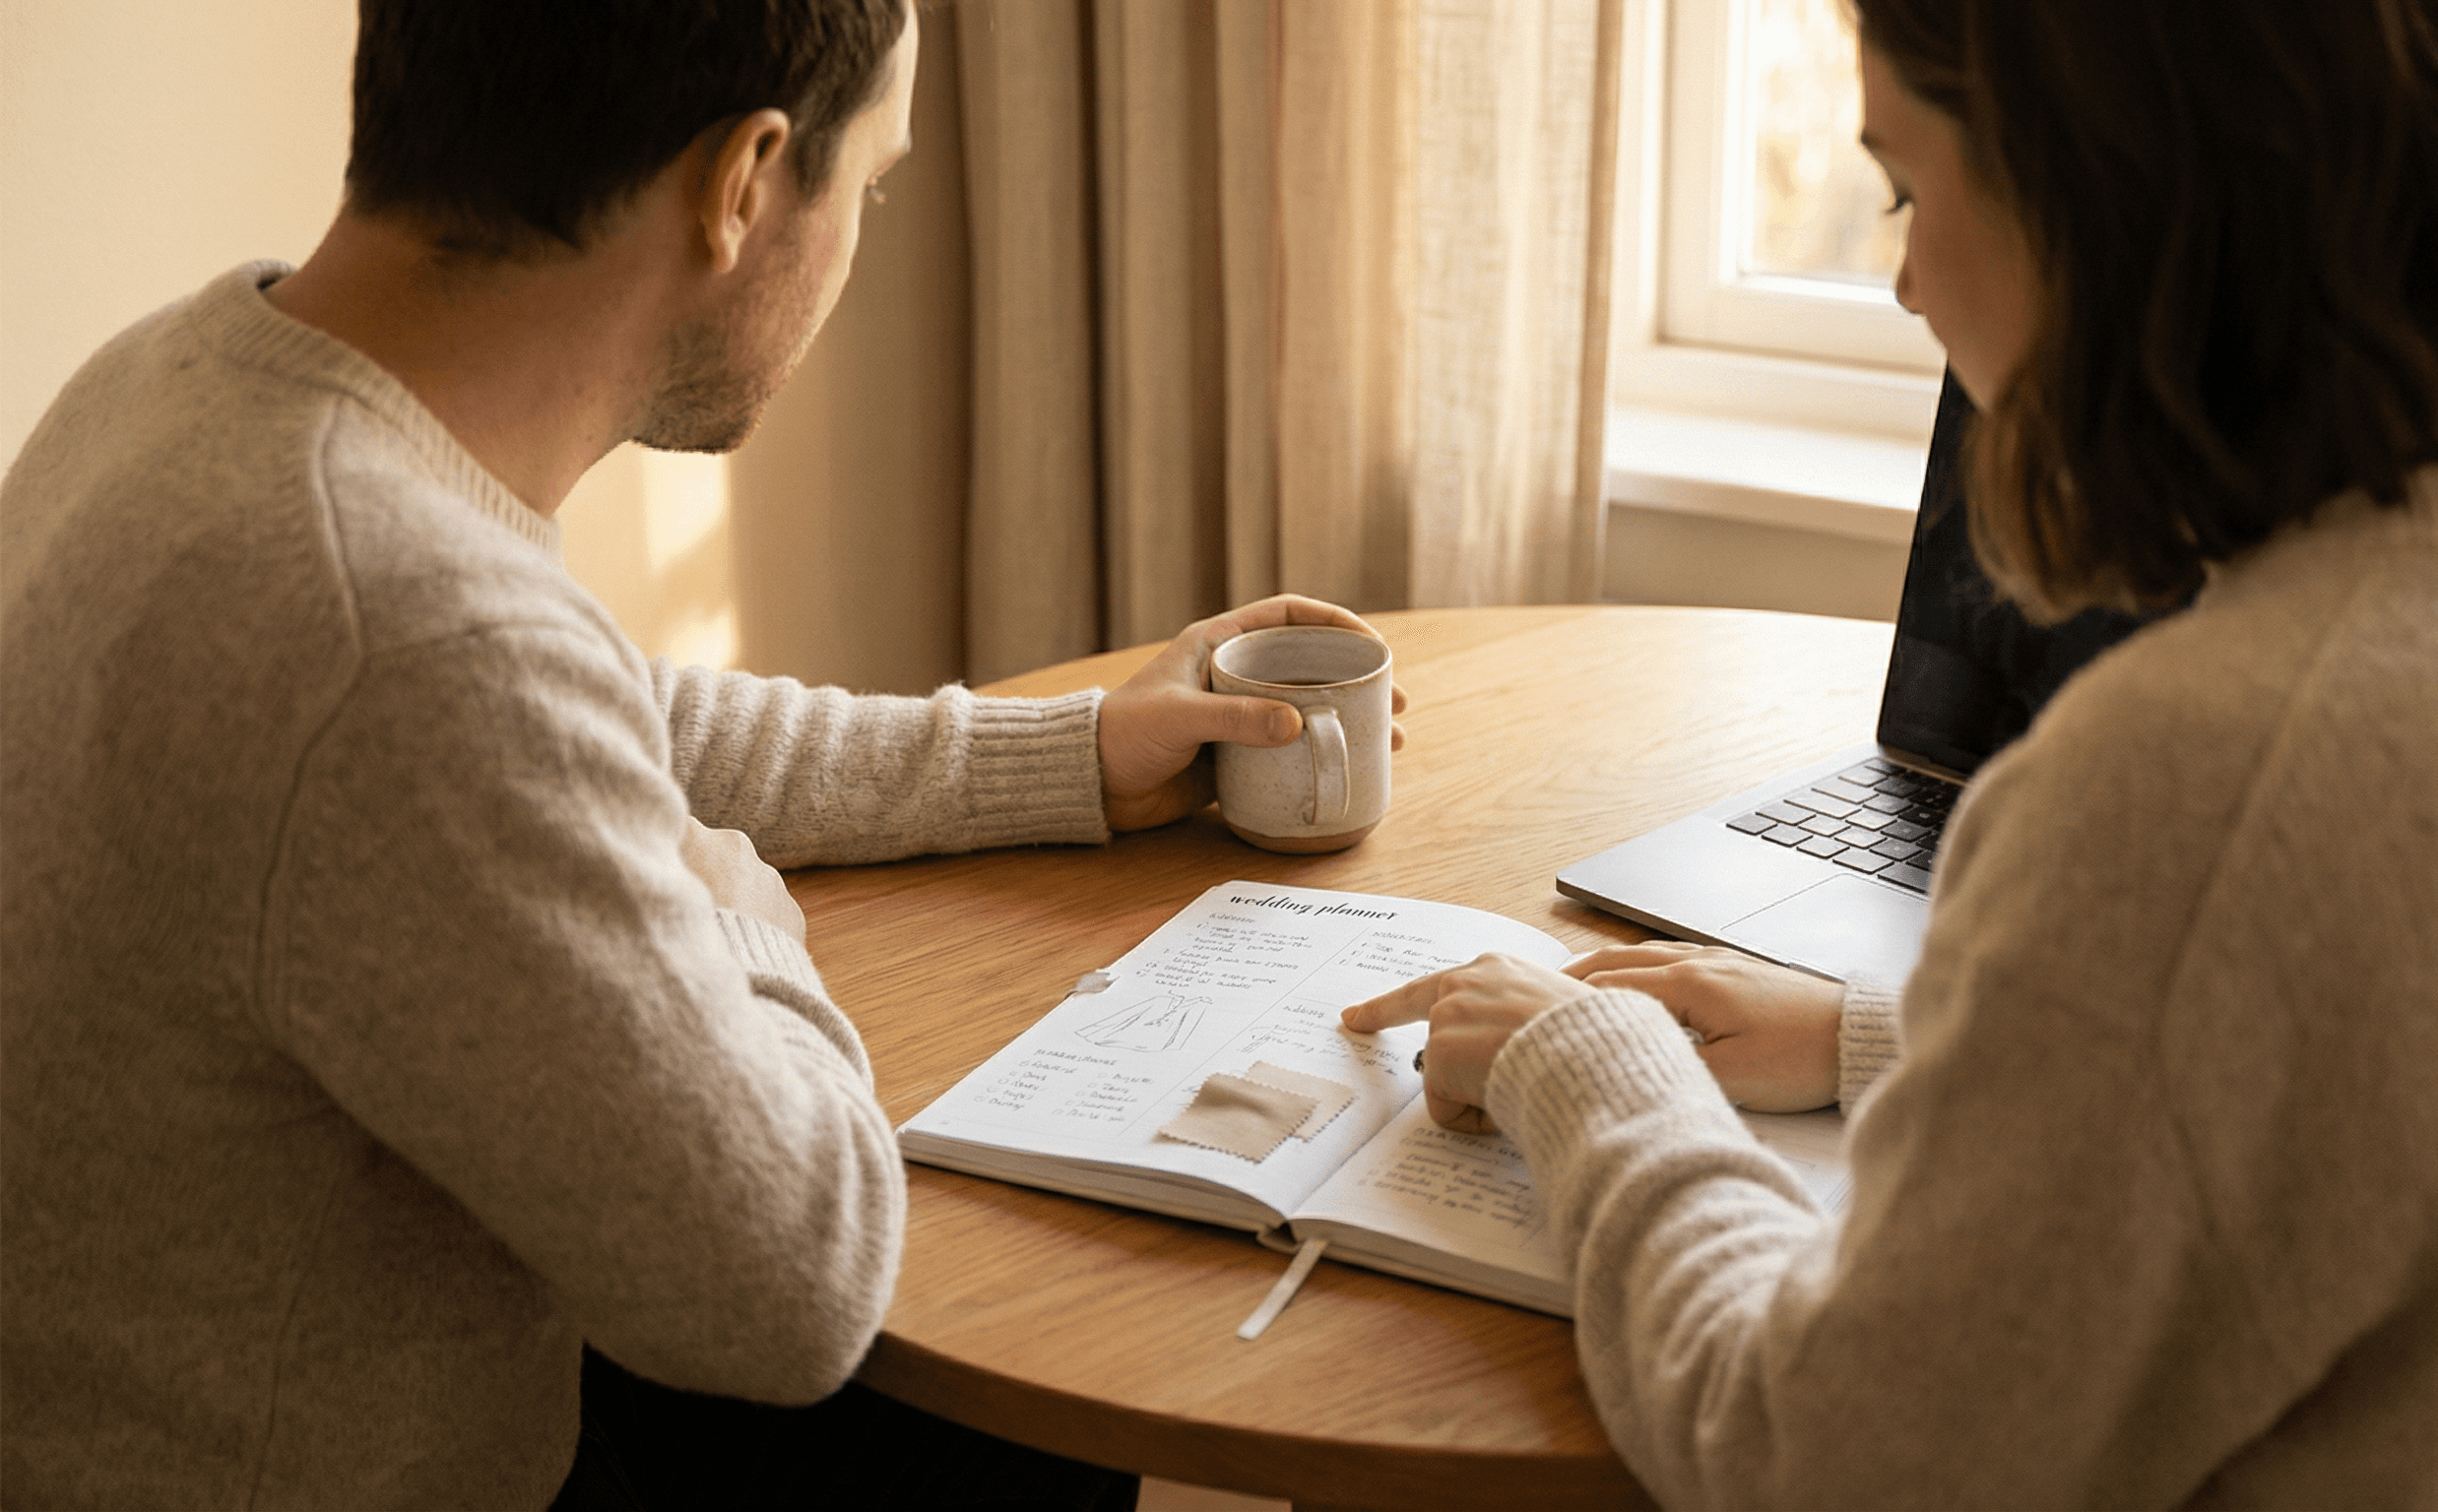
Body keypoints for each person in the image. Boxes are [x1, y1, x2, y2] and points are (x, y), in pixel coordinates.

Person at [0, 0, 1395, 1506]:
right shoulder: (399, 632)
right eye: (867, 187)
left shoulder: (195, 376)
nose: (858, 241)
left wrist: (1062, 754)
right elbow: (797, 1281)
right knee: (1017, 1399)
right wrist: (726, 897)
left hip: (148, 1404)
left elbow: (594, 711)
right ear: (743, 182)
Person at [1346, 0, 2438, 1505]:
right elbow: (2390, 1090)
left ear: (2106, 203)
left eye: (1910, 191)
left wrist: (1581, 1060)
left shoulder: (2197, 783)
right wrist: (1882, 1037)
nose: (1912, 282)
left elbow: (1808, 1455)